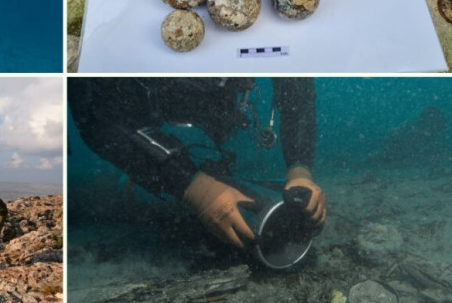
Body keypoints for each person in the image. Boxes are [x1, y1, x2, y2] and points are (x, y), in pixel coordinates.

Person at [68, 78, 327, 249]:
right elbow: (94, 114)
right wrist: (191, 186)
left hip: (203, 99)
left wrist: (299, 166)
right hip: (136, 98)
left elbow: (297, 91)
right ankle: (128, 186)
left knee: (215, 177)